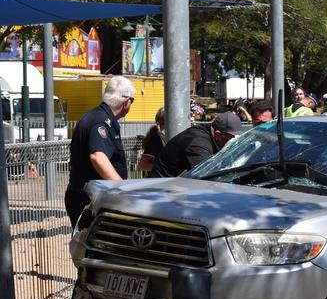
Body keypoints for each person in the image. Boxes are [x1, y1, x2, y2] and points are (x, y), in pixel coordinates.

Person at [65, 75, 135, 227]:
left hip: (88, 196)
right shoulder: (101, 121)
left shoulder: (97, 116)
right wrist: (122, 190)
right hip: (90, 200)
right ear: (126, 101)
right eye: (132, 100)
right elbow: (98, 157)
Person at [148, 111, 243, 178]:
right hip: (161, 191)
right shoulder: (199, 144)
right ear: (218, 134)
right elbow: (207, 176)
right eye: (231, 138)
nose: (235, 141)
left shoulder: (209, 135)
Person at [138, 107, 166, 174]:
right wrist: (166, 168)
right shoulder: (156, 139)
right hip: (158, 182)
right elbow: (143, 165)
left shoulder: (166, 137)